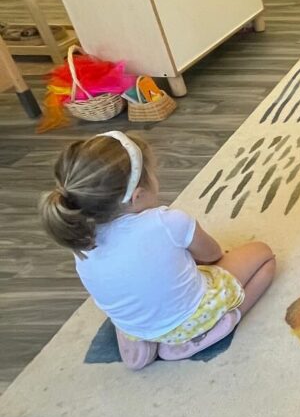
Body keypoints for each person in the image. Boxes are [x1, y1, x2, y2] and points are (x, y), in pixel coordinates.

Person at [39, 131, 275, 371]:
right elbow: (213, 255)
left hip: (134, 326)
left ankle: (141, 344)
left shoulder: (81, 238)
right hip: (189, 318)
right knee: (263, 256)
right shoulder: (168, 222)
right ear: (137, 196)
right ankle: (216, 326)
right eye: (153, 174)